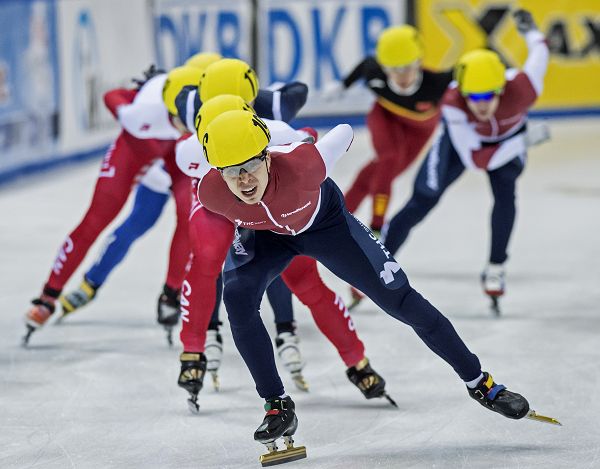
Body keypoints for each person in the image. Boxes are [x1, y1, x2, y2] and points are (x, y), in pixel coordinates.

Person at [186, 102, 548, 463]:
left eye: (250, 166)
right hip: (265, 236)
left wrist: (297, 139)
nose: (245, 181)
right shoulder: (211, 192)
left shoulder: (303, 165)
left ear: (266, 156)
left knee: (401, 300)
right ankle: (277, 405)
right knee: (236, 297)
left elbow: (343, 132)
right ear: (217, 171)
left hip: (324, 225)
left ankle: (481, 384)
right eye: (232, 172)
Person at [175, 60, 395, 411]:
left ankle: (196, 349)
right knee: (212, 256)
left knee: (293, 274)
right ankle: (355, 360)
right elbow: (301, 103)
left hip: (262, 191)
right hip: (221, 194)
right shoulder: (252, 120)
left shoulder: (270, 122)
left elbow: (302, 129)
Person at [22, 63, 204, 345]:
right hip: (139, 151)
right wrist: (124, 113)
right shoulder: (143, 107)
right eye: (181, 118)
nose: (184, 124)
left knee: (189, 217)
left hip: (179, 158)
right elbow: (112, 96)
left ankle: (171, 291)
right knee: (103, 221)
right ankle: (49, 296)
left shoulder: (203, 104)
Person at [382, 10, 549, 314]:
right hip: (466, 145)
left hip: (505, 143)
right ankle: (377, 260)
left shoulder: (525, 88)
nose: (481, 105)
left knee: (506, 192)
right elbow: (477, 160)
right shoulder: (453, 103)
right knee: (424, 197)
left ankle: (496, 266)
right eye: (473, 96)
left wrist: (530, 31)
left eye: (488, 96)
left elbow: (540, 50)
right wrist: (521, 142)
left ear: (502, 89)